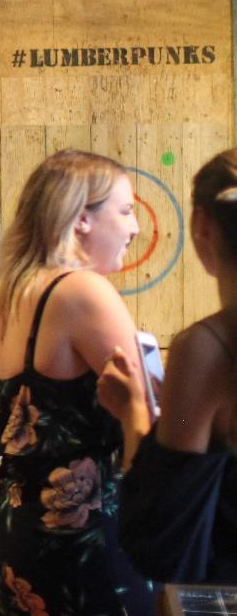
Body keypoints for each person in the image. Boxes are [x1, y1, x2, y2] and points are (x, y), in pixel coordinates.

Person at [0, 149, 152, 615]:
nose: (134, 228)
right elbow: (149, 415)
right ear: (81, 218)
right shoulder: (81, 290)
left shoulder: (17, 293)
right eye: (125, 211)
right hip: (83, 545)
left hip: (20, 532)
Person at [98, 148, 237, 583]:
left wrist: (134, 414)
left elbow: (161, 540)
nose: (136, 227)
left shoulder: (208, 350)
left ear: (202, 226)